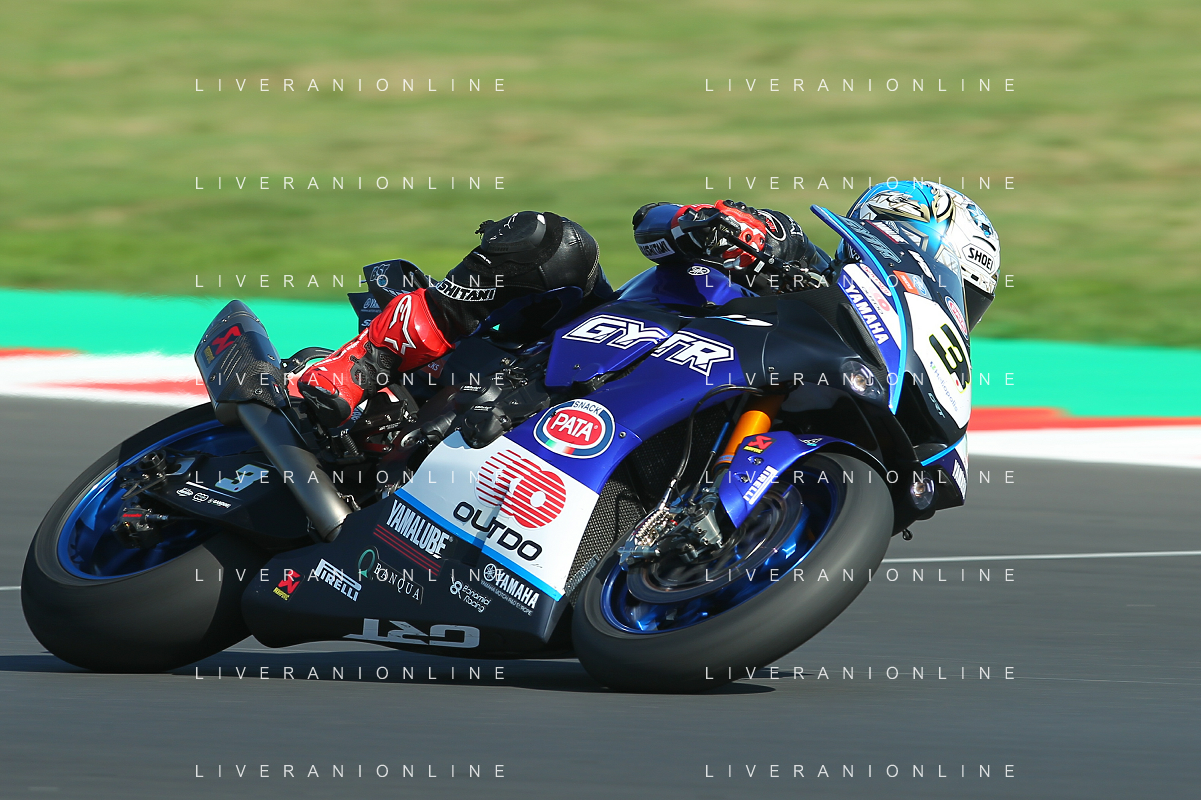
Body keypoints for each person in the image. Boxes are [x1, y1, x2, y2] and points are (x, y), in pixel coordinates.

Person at [299, 188, 998, 426]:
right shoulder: (794, 253)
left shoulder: (872, 359)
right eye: (954, 281)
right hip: (584, 346)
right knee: (554, 245)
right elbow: (652, 222)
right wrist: (716, 226)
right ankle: (358, 366)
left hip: (662, 415)